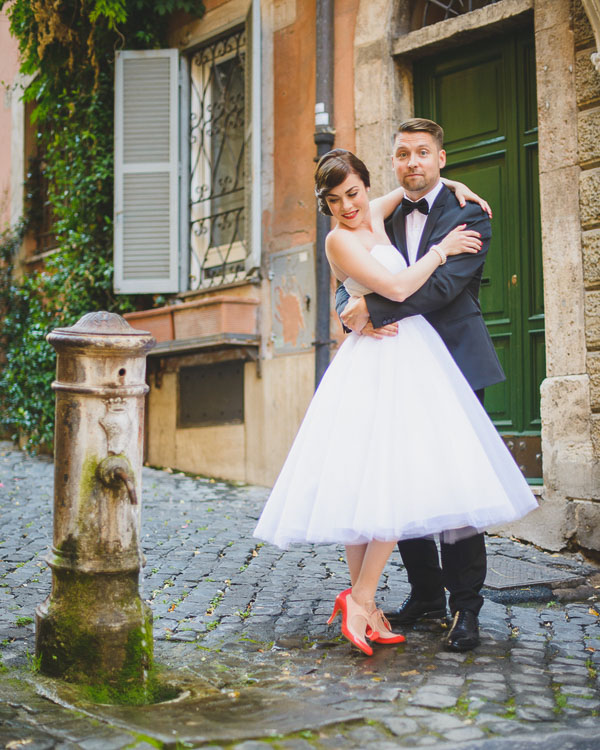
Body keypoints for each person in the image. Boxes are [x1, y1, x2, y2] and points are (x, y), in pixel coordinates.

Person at [254, 147, 537, 656]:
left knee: (405, 474)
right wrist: (441, 249)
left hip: (421, 356)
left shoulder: (379, 210)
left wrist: (453, 186)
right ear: (326, 204)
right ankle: (365, 597)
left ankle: (388, 603)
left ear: (366, 186)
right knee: (386, 473)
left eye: (354, 193)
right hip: (381, 360)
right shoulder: (340, 239)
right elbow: (402, 286)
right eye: (335, 199)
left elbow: (408, 192)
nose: (347, 205)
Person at [336, 118, 508, 652]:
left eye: (423, 153)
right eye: (403, 154)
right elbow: (357, 259)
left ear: (442, 158)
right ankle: (426, 593)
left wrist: (368, 309)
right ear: (394, 162)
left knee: (456, 491)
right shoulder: (377, 213)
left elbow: (444, 287)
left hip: (455, 361)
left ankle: (466, 608)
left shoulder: (468, 214)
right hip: (396, 364)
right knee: (400, 478)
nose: (413, 163)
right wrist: (351, 310)